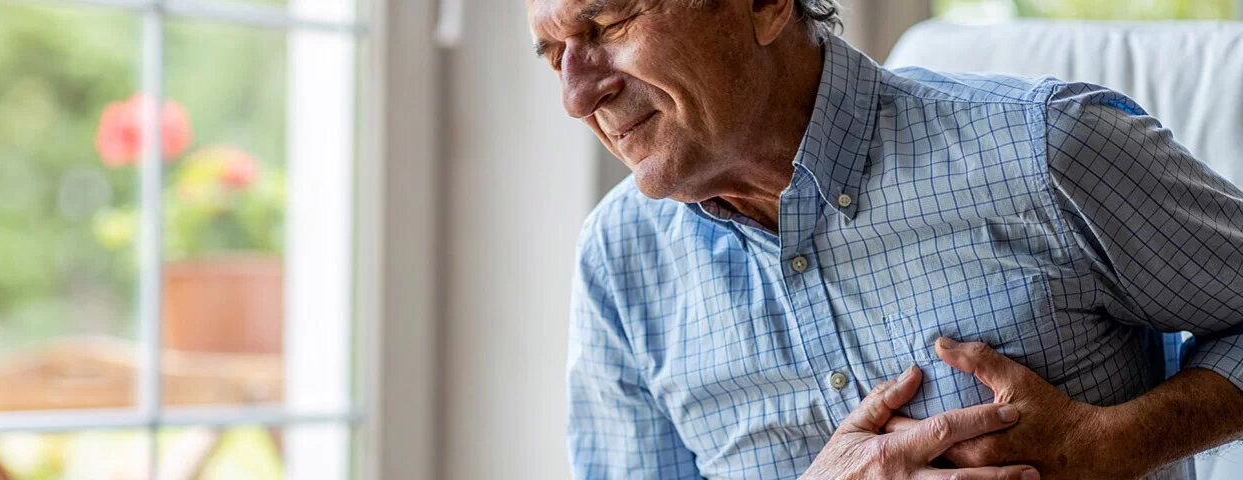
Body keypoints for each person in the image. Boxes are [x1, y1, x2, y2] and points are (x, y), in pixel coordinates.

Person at [530, 0, 1243, 478]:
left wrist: (1111, 443)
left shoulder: (1046, 152)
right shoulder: (620, 259)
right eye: (552, 53)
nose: (574, 93)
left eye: (607, 23)